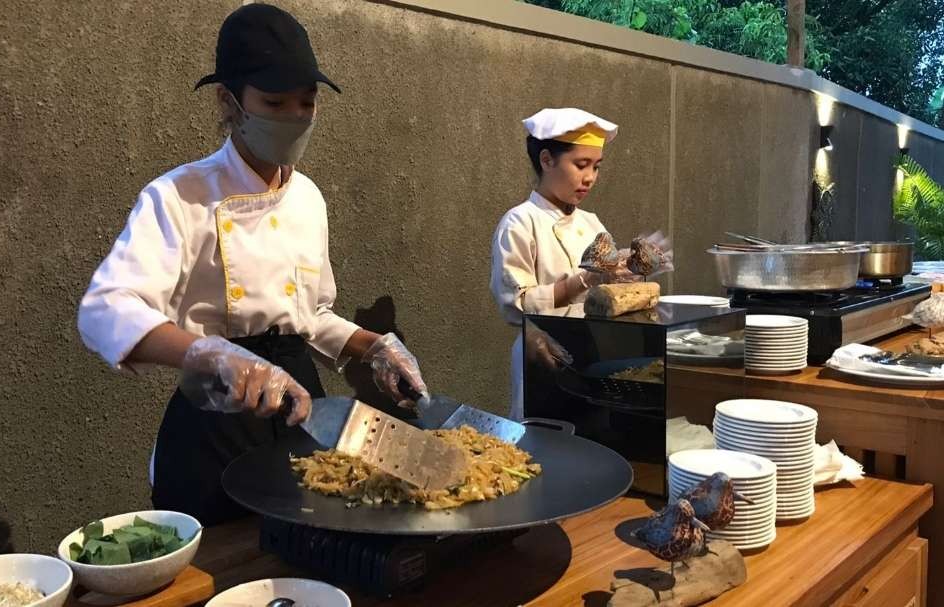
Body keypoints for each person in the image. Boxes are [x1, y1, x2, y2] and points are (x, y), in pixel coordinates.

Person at [77, 4, 429, 525]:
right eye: (274, 101)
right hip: (216, 418)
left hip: (299, 408)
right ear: (230, 101)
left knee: (303, 555)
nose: (293, 116)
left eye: (306, 102)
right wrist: (208, 354)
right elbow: (104, 310)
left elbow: (312, 315)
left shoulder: (308, 197)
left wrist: (373, 347)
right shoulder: (179, 194)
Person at [489, 107, 672, 420]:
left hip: (593, 349)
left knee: (595, 432)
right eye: (581, 165)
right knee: (547, 440)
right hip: (541, 352)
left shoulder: (591, 222)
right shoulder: (520, 222)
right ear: (547, 160)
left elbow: (608, 287)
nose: (590, 178)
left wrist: (634, 267)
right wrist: (583, 280)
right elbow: (515, 303)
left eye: (596, 167)